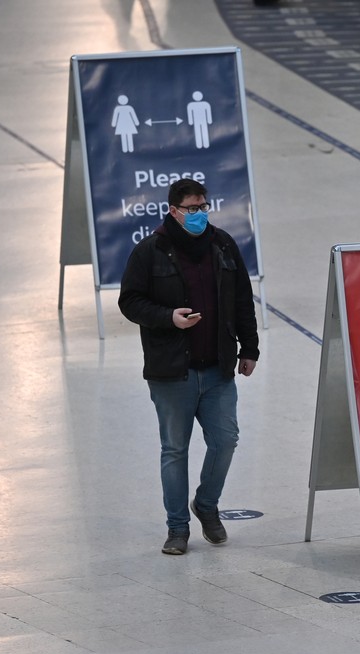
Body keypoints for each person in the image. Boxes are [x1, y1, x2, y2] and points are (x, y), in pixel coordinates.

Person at [119, 178, 259, 555]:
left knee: (225, 440)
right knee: (175, 450)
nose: (198, 214)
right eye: (191, 209)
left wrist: (250, 348)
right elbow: (129, 302)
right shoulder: (149, 252)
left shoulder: (223, 245)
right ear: (173, 210)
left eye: (202, 207)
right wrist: (169, 317)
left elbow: (243, 300)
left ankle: (207, 505)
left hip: (218, 368)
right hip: (172, 372)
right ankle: (177, 528)